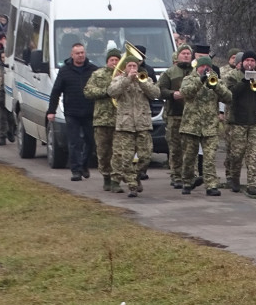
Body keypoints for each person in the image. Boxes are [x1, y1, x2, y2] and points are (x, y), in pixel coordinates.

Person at [107, 54, 161, 197]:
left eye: (134, 66)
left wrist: (142, 82)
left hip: (143, 123)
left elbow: (156, 93)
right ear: (125, 68)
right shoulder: (118, 80)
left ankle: (135, 177)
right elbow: (112, 92)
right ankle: (132, 185)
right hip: (126, 125)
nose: (132, 69)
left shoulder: (146, 79)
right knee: (126, 158)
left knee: (146, 156)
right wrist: (127, 80)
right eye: (129, 66)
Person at [178, 57, 233, 195]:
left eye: (207, 67)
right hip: (191, 125)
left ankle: (211, 185)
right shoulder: (189, 79)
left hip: (210, 126)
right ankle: (187, 181)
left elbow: (228, 97)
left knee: (209, 157)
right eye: (202, 67)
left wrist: (216, 87)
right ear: (198, 68)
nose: (205, 69)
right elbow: (185, 93)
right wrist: (200, 81)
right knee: (189, 157)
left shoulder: (216, 80)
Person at [46, 43, 99, 182]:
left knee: (91, 141)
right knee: (74, 142)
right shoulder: (64, 71)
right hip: (72, 112)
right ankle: (75, 170)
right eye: (77, 53)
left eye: (82, 52)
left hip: (89, 112)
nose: (80, 55)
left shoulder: (93, 70)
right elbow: (56, 91)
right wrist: (51, 111)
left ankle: (84, 165)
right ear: (72, 55)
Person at [224, 50, 256, 196]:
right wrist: (244, 82)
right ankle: (235, 179)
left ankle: (251, 183)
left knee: (255, 154)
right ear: (242, 62)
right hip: (238, 121)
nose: (250, 63)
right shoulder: (233, 76)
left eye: (252, 61)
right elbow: (230, 94)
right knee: (237, 153)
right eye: (247, 61)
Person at [84, 48, 122, 192]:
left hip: (120, 120)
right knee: (103, 152)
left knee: (118, 152)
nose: (114, 62)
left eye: (117, 60)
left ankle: (116, 180)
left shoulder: (124, 75)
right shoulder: (98, 74)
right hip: (102, 119)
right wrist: (105, 91)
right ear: (107, 61)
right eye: (112, 60)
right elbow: (88, 91)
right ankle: (106, 177)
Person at [158, 44, 195, 189]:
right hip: (174, 114)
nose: (186, 55)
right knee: (175, 148)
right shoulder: (170, 72)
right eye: (183, 53)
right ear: (178, 55)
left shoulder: (195, 72)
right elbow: (159, 90)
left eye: (188, 53)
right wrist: (172, 94)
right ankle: (176, 175)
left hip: (191, 116)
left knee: (190, 148)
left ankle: (189, 175)